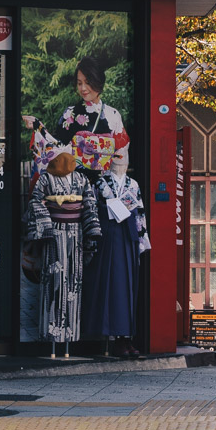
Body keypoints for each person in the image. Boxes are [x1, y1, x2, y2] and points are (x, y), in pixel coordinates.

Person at [24, 150, 101, 349]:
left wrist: (91, 231)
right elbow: (35, 202)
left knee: (74, 281)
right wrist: (46, 226)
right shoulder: (46, 179)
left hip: (75, 233)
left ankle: (70, 334)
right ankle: (51, 334)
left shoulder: (81, 179)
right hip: (54, 233)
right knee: (53, 279)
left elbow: (90, 204)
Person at [81, 147, 151, 356]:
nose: (122, 164)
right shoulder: (101, 183)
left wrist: (141, 239)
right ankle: (109, 336)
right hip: (108, 237)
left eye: (124, 161)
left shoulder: (133, 184)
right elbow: (91, 208)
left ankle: (126, 337)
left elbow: (139, 212)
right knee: (108, 286)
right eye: (118, 161)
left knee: (127, 287)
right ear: (110, 163)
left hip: (127, 238)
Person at [23, 55, 130, 180]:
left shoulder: (113, 115)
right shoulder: (70, 114)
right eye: (79, 83)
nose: (83, 88)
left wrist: (116, 183)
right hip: (75, 184)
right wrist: (38, 127)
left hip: (105, 184)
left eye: (88, 83)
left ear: (99, 81)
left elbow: (121, 153)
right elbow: (57, 148)